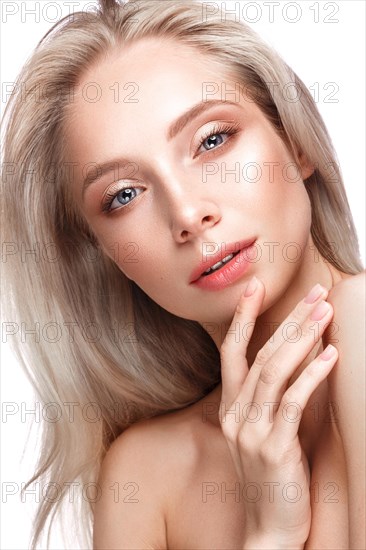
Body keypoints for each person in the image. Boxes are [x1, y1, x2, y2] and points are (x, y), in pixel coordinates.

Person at [1, 0, 364, 548]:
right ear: (103, 253)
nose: (188, 214)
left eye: (212, 140)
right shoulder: (144, 477)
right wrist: (270, 534)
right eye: (124, 195)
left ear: (295, 140)